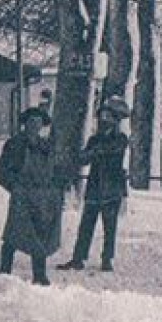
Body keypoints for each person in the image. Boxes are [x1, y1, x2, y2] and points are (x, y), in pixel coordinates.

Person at [0, 106, 67, 285]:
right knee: (13, 234)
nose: (34, 126)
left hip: (42, 197)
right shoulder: (15, 145)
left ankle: (39, 275)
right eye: (31, 122)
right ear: (25, 124)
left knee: (40, 235)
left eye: (38, 123)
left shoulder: (46, 146)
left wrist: (57, 189)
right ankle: (4, 273)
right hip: (22, 196)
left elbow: (57, 170)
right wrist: (14, 186)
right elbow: (1, 171)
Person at [59, 96, 130, 272]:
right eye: (103, 117)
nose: (104, 121)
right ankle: (78, 258)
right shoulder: (94, 140)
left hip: (112, 189)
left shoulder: (120, 139)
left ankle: (107, 259)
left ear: (115, 121)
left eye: (108, 117)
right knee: (86, 226)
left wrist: (94, 152)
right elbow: (83, 158)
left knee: (109, 227)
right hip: (95, 188)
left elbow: (107, 152)